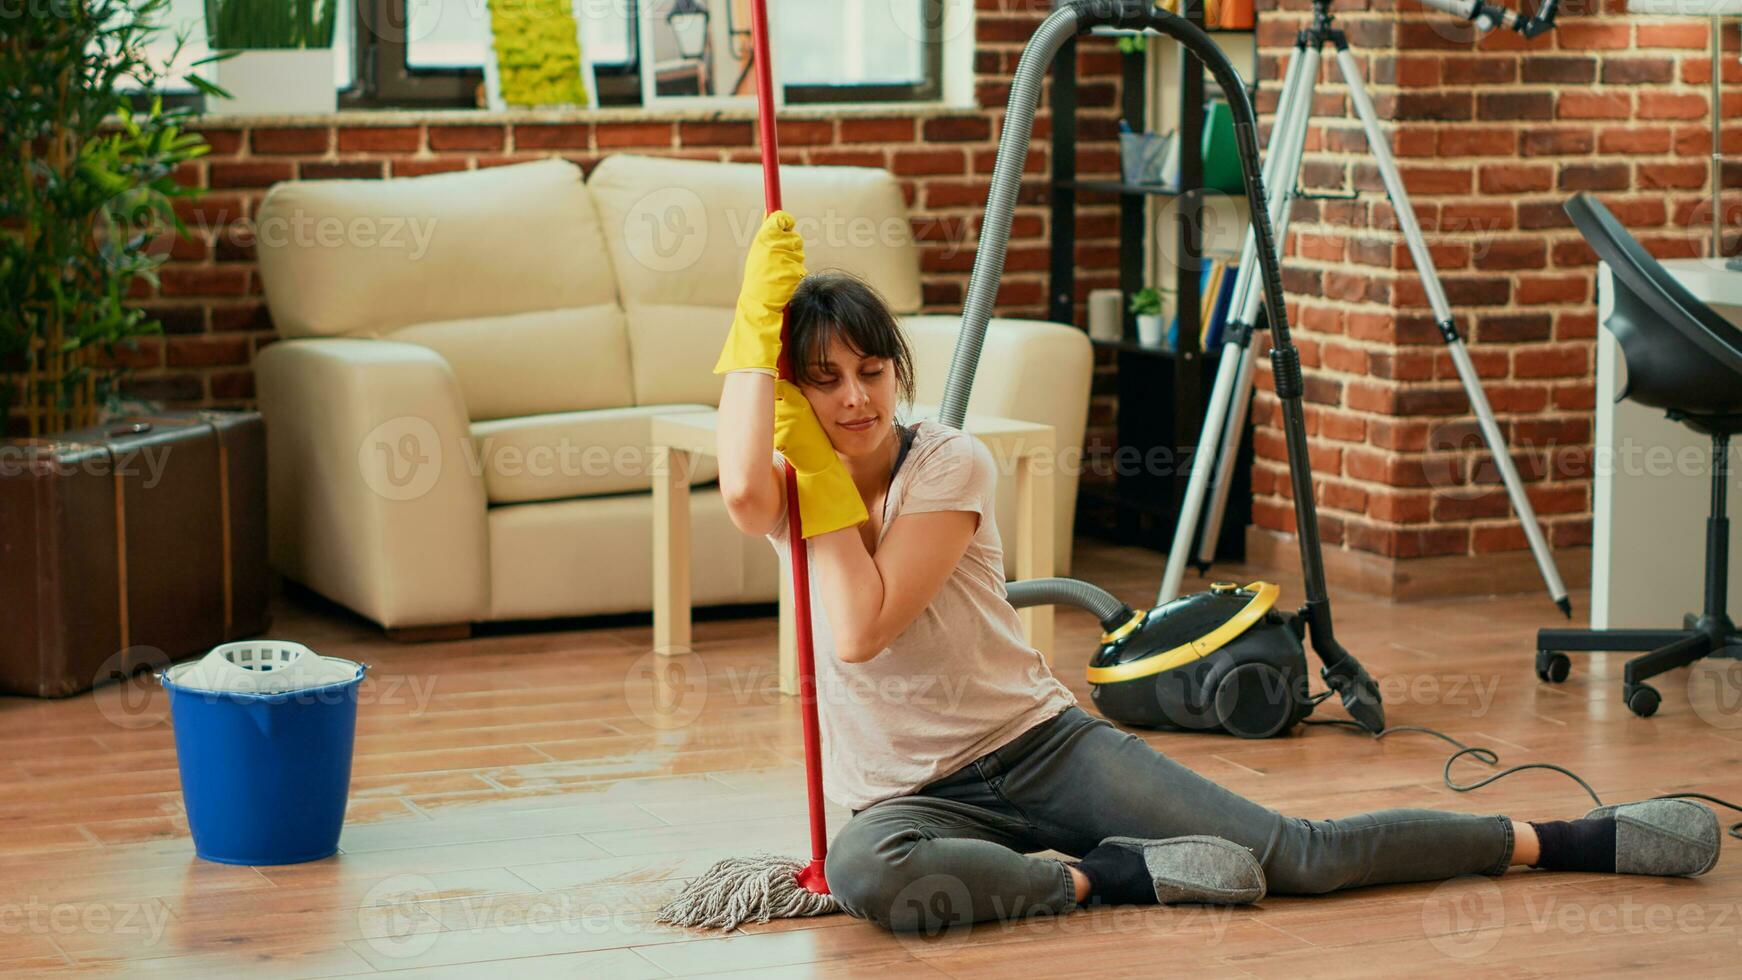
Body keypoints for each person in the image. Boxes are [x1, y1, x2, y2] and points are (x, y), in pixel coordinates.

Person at [710, 212, 1722, 932]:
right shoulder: (793, 486)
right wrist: (751, 353)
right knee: (862, 871)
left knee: (1298, 856)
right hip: (907, 798)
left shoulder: (948, 460)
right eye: (821, 380)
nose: (853, 399)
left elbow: (862, 621)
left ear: (897, 371)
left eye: (869, 372)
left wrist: (815, 467)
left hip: (1037, 745)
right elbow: (744, 486)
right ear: (790, 395)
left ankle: (1569, 835)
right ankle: (1098, 879)